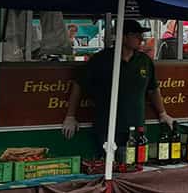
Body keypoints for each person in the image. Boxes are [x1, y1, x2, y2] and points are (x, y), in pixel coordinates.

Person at [62, 20, 174, 152]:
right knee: (109, 167)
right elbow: (79, 85)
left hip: (136, 127)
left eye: (141, 35)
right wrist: (70, 116)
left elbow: (153, 89)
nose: (141, 39)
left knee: (135, 167)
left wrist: (163, 113)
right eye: (136, 35)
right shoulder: (101, 60)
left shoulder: (144, 61)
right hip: (107, 127)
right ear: (124, 37)